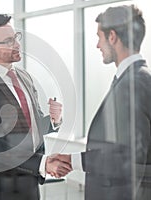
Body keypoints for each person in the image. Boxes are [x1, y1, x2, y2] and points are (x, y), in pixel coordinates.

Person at [0, 14, 71, 200]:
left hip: (28, 180)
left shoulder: (24, 77)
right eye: (8, 41)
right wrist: (42, 163)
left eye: (16, 37)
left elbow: (32, 125)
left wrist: (53, 120)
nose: (17, 44)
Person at [53, 5, 151, 200]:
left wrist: (75, 161)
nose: (98, 45)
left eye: (99, 37)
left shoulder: (132, 85)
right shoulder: (137, 78)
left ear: (112, 37)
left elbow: (127, 158)